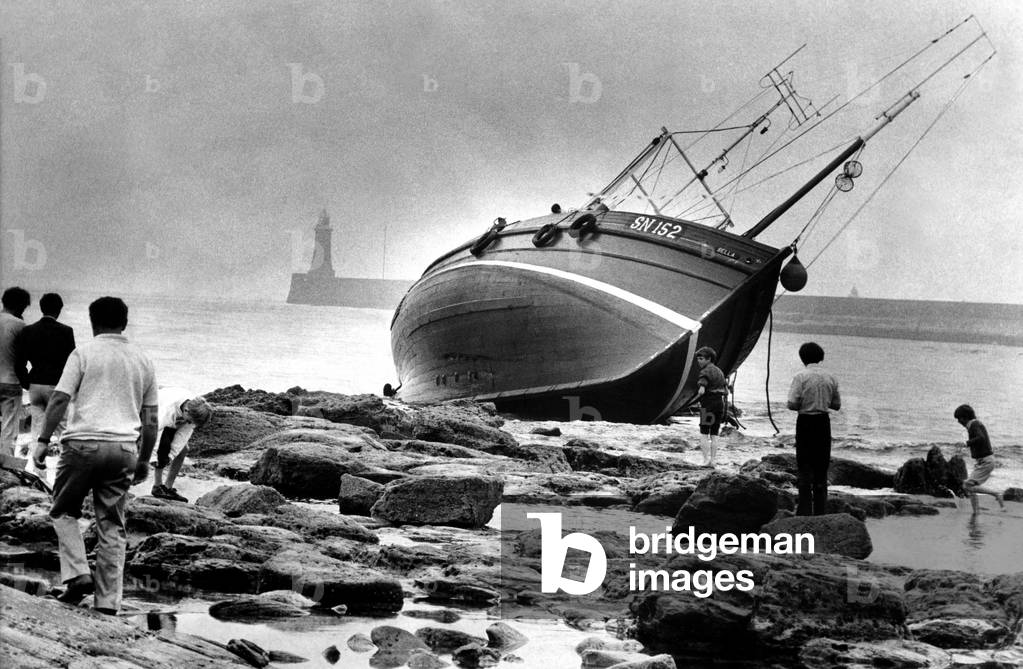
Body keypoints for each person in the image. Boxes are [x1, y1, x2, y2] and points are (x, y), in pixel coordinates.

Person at [32, 296, 157, 614]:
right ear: (124, 323)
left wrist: (43, 440)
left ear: (92, 322)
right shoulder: (143, 360)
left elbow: (59, 399)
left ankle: (77, 574)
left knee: (63, 511)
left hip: (82, 446)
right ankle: (107, 603)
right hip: (124, 449)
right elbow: (151, 417)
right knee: (113, 524)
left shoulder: (83, 353)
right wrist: (144, 459)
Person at [14, 293, 77, 449]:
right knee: (62, 426)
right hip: (56, 384)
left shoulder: (28, 330)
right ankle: (64, 459)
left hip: (35, 384)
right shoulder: (66, 331)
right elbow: (71, 362)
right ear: (59, 310)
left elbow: (19, 362)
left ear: (41, 308)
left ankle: (37, 462)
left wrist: (27, 383)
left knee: (37, 426)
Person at [786, 342, 841, 516]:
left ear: (802, 358)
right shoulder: (830, 377)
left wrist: (806, 402)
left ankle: (804, 511)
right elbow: (836, 405)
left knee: (804, 465)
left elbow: (792, 404)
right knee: (821, 466)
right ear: (821, 357)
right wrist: (822, 401)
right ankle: (820, 511)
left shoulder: (800, 376)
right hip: (823, 422)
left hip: (805, 422)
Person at [151, 389, 212, 502]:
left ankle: (168, 487)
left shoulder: (192, 410)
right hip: (149, 410)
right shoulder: (169, 410)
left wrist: (171, 456)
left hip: (169, 416)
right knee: (163, 446)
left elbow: (182, 436)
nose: (189, 423)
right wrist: (154, 457)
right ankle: (157, 486)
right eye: (189, 421)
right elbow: (156, 432)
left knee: (183, 450)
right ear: (186, 411)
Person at [954, 404, 1006, 515]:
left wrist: (967, 443)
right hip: (984, 461)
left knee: (967, 485)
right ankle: (976, 512)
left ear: (965, 416)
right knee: (971, 487)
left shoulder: (974, 424)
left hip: (986, 461)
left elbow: (981, 438)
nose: (958, 422)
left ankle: (996, 494)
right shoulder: (974, 424)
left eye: (959, 418)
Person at [0, 287, 31, 457]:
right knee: (9, 430)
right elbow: (24, 357)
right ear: (20, 306)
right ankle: (5, 466)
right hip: (10, 382)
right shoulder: (20, 325)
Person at [694, 346, 727, 467]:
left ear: (709, 359)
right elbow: (726, 390)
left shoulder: (704, 372)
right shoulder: (720, 371)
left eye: (701, 358)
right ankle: (713, 461)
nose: (699, 361)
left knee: (704, 432)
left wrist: (696, 399)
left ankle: (705, 460)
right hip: (719, 404)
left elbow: (701, 390)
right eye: (698, 359)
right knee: (714, 433)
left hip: (708, 404)